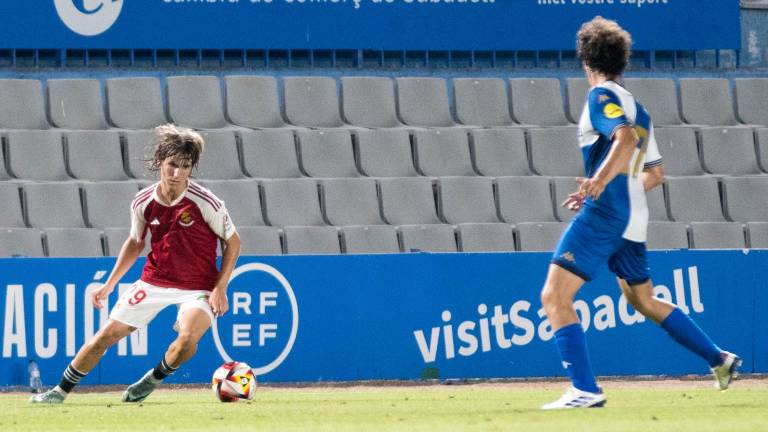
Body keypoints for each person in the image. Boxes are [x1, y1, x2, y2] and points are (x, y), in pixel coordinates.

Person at [539, 16, 740, 410]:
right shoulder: (639, 108)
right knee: (643, 300)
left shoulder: (600, 98)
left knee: (553, 296)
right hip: (633, 217)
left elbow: (625, 139)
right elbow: (655, 175)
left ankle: (585, 389)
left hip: (607, 215)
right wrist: (609, 183)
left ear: (585, 61)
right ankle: (720, 359)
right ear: (621, 60)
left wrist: (597, 184)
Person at [31, 124, 241, 404]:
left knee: (188, 338)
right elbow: (135, 242)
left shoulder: (206, 202)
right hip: (154, 281)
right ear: (159, 163)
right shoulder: (143, 202)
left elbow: (234, 242)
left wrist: (220, 287)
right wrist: (109, 284)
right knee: (106, 335)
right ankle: (59, 392)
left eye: (186, 167)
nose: (178, 173)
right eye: (172, 165)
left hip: (198, 286)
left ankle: (153, 378)